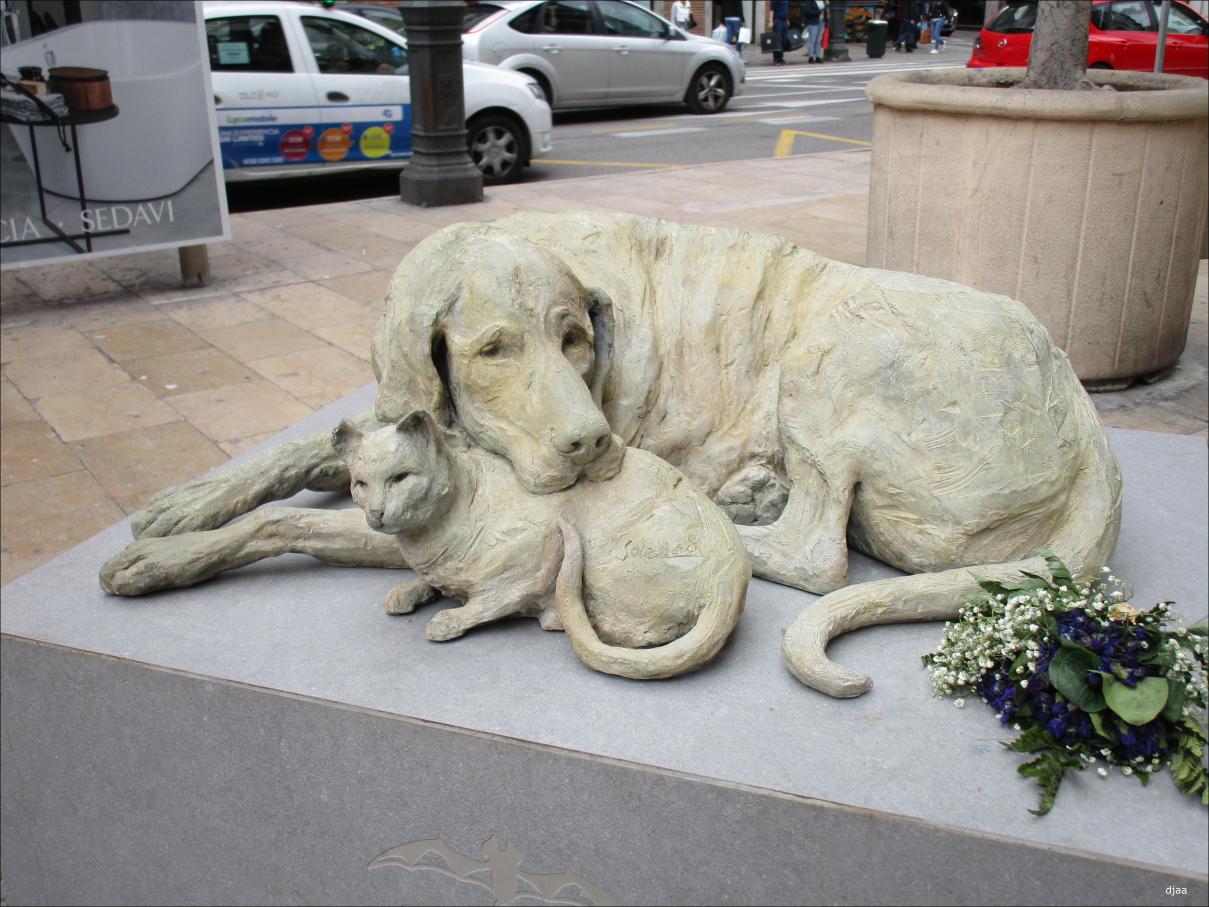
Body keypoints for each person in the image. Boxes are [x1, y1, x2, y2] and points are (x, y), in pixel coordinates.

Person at [766, 0, 790, 65]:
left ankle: (780, 57)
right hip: (778, 21)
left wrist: (787, 19)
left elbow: (785, 9)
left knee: (784, 40)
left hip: (784, 22)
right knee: (777, 41)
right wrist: (771, 21)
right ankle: (776, 58)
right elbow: (772, 9)